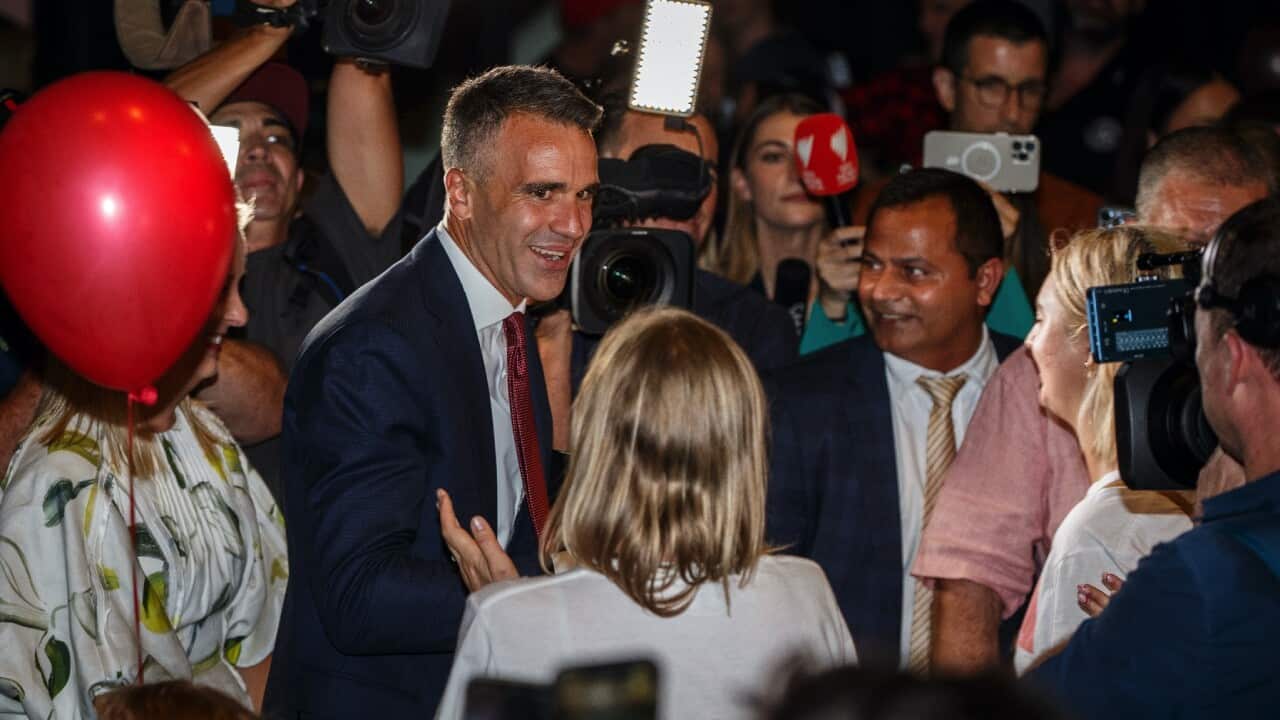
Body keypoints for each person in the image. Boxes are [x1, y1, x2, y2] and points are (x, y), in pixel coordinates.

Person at [261, 65, 601, 717]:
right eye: (543, 192)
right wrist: (526, 598)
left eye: (586, 195)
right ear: (462, 192)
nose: (573, 223)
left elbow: (513, 524)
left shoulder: (509, 315)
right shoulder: (374, 348)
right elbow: (359, 596)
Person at [915, 124, 1277, 675]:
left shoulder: (1256, 370)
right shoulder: (1026, 383)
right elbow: (970, 577)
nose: (1205, 272)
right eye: (1188, 244)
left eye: (1230, 248)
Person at [436, 307, 856, 719]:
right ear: (745, 447)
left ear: (597, 442)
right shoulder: (805, 594)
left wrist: (514, 613)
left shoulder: (507, 619)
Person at [0, 216, 288, 718]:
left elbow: (263, 640)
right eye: (222, 291)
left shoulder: (203, 433)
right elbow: (100, 706)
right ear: (156, 298)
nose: (241, 314)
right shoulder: (62, 484)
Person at [1027, 196, 1280, 716]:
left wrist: (1128, 627)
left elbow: (1034, 709)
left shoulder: (1199, 578)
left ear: (1230, 360)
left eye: (1196, 343)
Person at [766, 167, 1021, 670]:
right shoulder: (799, 403)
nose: (881, 290)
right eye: (872, 264)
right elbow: (771, 591)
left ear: (985, 281)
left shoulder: (1042, 394)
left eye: (914, 271)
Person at [164, 3, 404, 499]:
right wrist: (272, 25)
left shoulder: (342, 242)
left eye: (276, 136)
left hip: (340, 548)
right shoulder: (161, 272)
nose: (257, 148)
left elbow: (367, 59)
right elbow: (138, 132)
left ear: (298, 179)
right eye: (230, 134)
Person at [533, 93, 797, 450]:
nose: (688, 194)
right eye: (663, 167)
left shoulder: (753, 327)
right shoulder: (545, 301)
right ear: (602, 174)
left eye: (705, 175)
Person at [1013, 225, 1195, 673]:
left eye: (1040, 319)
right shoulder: (1203, 497)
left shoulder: (1102, 534)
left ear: (1095, 344)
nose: (1028, 343)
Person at [851, 0, 1102, 308]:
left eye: (1030, 90)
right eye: (991, 86)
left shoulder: (1075, 216)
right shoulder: (881, 208)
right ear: (946, 88)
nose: (1012, 112)